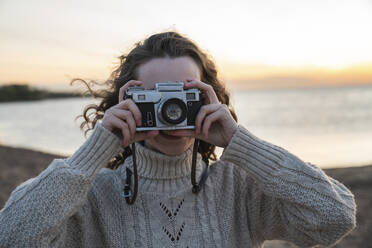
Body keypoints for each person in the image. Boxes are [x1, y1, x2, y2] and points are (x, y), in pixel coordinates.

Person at [0, 31, 356, 247]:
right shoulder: (96, 196)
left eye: (184, 96)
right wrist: (96, 150)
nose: (172, 110)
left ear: (209, 97)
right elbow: (13, 236)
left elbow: (335, 217)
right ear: (127, 102)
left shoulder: (238, 187)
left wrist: (240, 142)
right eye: (156, 98)